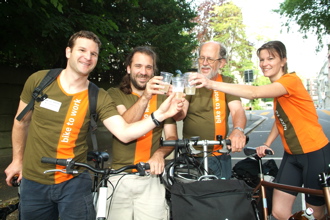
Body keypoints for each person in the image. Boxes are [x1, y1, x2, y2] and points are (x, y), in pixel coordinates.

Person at [4, 31, 184, 220]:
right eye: (82, 50)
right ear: (68, 52)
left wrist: (161, 114)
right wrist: (17, 160)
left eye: (94, 54)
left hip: (74, 182)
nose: (87, 57)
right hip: (33, 182)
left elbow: (123, 132)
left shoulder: (98, 95)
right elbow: (21, 122)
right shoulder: (40, 80)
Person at [189, 40, 330, 220]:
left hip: (314, 152)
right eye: (262, 59)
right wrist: (267, 143)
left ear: (283, 60)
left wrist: (211, 84)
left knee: (315, 214)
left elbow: (254, 93)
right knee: (279, 212)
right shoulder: (278, 90)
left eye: (270, 58)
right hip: (291, 155)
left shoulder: (290, 81)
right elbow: (280, 119)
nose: (264, 64)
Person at [106, 46, 177, 220]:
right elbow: (124, 125)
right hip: (119, 176)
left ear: (154, 71)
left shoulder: (162, 98)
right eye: (138, 66)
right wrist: (145, 97)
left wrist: (160, 154)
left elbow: (172, 137)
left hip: (150, 178)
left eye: (148, 67)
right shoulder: (114, 94)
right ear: (128, 68)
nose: (143, 72)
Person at [174, 41, 247, 180]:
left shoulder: (226, 82)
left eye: (210, 59)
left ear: (221, 63)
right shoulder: (190, 82)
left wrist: (238, 130)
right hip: (192, 156)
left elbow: (238, 110)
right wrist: (175, 105)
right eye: (202, 58)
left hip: (219, 155)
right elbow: (180, 116)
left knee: (220, 199)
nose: (205, 63)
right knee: (192, 199)